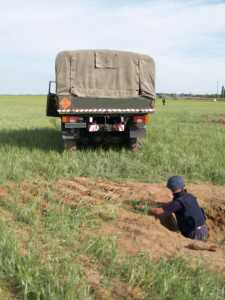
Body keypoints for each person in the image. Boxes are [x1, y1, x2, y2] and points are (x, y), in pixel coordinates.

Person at [147, 176, 208, 240]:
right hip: (204, 230)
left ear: (171, 188)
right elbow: (173, 204)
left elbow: (158, 212)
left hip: (195, 234)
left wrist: (146, 209)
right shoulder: (190, 196)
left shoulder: (178, 203)